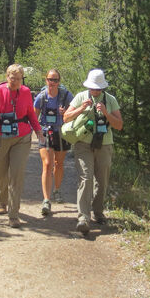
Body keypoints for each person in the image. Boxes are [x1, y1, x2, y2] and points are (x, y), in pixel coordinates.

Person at [0, 64, 44, 228]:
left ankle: (13, 214)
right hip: (1, 137)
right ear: (7, 77)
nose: (14, 81)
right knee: (0, 172)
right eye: (11, 77)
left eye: (17, 78)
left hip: (21, 137)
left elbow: (30, 112)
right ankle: (3, 200)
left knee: (17, 175)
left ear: (22, 78)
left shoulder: (25, 92)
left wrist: (37, 130)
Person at [62, 68, 123, 233]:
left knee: (102, 180)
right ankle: (83, 217)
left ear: (102, 88)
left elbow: (119, 125)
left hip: (104, 144)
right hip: (83, 144)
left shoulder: (110, 100)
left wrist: (105, 112)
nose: (94, 91)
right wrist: (81, 109)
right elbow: (66, 118)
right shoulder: (81, 97)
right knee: (85, 178)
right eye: (92, 88)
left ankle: (98, 212)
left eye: (97, 88)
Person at [33, 69, 74, 216]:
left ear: (59, 81)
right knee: (47, 164)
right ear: (46, 80)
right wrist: (38, 133)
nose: (53, 83)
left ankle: (57, 190)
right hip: (46, 133)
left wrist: (65, 114)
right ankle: (46, 200)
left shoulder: (66, 96)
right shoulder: (41, 97)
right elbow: (34, 117)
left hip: (61, 133)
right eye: (50, 79)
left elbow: (73, 115)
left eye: (55, 80)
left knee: (59, 164)